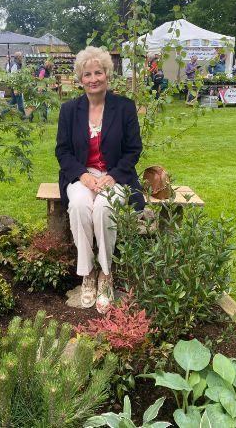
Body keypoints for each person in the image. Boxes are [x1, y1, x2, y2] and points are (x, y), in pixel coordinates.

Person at [55, 46, 145, 314]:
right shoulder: (69, 110)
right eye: (87, 74)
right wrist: (82, 175)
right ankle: (87, 272)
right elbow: (62, 151)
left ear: (108, 75)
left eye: (98, 73)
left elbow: (133, 150)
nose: (93, 79)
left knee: (105, 208)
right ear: (80, 79)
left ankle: (106, 273)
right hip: (81, 176)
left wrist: (113, 176)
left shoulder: (125, 108)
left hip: (115, 176)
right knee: (81, 206)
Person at [5, 51, 25, 116]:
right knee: (20, 103)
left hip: (16, 86)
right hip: (16, 86)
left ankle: (2, 113)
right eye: (21, 56)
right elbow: (13, 77)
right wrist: (15, 88)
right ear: (18, 57)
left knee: (13, 102)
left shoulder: (15, 64)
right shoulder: (15, 65)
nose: (22, 57)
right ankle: (23, 117)